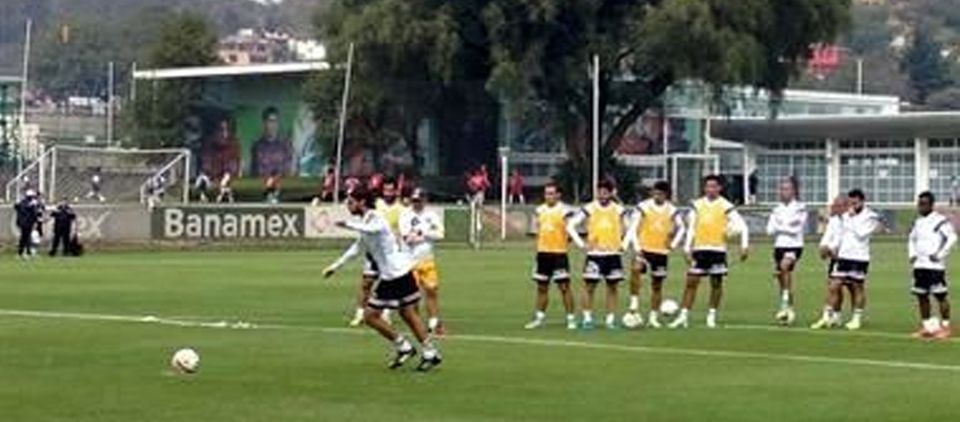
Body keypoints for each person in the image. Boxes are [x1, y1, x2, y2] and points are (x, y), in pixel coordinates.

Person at [322, 186, 442, 371]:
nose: (348, 205)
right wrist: (335, 266)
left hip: (395, 275)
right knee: (407, 313)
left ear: (362, 202)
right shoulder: (365, 221)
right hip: (398, 273)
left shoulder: (375, 218)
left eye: (351, 202)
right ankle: (428, 352)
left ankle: (405, 347)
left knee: (371, 316)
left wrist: (347, 224)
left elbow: (373, 229)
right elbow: (357, 248)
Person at [670, 175, 750, 329]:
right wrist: (686, 248)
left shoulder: (726, 205)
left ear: (719, 188)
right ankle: (683, 316)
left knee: (716, 284)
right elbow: (691, 228)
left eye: (714, 186)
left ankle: (711, 316)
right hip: (700, 249)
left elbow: (742, 226)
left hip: (718, 249)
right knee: (691, 282)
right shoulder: (697, 205)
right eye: (708, 186)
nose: (710, 189)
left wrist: (744, 246)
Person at [567, 180, 629, 329]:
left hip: (613, 254)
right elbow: (570, 225)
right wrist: (582, 244)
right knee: (589, 287)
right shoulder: (589, 208)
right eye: (599, 192)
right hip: (595, 255)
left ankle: (610, 320)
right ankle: (587, 319)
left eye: (605, 192)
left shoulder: (619, 210)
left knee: (612, 287)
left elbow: (630, 228)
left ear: (611, 193)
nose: (602, 195)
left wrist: (624, 244)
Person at [623, 181, 685, 328]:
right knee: (636, 269)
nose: (657, 196)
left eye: (660, 194)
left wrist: (673, 244)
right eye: (655, 193)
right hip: (644, 249)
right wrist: (636, 246)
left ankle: (653, 317)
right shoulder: (643, 207)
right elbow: (633, 227)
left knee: (657, 285)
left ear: (666, 195)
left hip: (661, 251)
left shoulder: (671, 210)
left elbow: (682, 228)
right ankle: (634, 304)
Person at [347, 178, 405, 327]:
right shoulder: (377, 205)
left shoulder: (401, 209)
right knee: (366, 283)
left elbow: (403, 229)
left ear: (395, 191)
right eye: (385, 190)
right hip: (374, 251)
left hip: (390, 252)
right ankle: (360, 314)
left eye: (391, 190)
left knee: (390, 284)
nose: (388, 193)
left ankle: (386, 313)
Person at [524, 182, 578, 330]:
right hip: (543, 254)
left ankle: (571, 319)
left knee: (564, 287)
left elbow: (571, 232)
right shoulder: (539, 210)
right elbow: (536, 231)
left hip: (559, 254)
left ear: (558, 195)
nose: (549, 196)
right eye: (547, 193)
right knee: (542, 287)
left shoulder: (565, 211)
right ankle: (539, 318)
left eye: (552, 193)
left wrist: (563, 241)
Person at [825, 189, 881, 331]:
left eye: (855, 203)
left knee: (857, 287)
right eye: (850, 203)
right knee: (834, 285)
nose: (852, 206)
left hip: (859, 257)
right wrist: (833, 248)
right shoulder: (846, 216)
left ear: (862, 201)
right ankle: (828, 316)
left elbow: (861, 234)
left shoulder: (871, 217)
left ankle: (856, 319)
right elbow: (841, 234)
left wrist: (852, 218)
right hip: (844, 256)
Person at [908, 191, 957, 339]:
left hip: (934, 267)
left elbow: (952, 238)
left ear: (931, 205)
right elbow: (912, 239)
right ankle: (927, 327)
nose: (920, 207)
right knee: (921, 296)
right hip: (920, 265)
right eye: (919, 204)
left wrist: (940, 255)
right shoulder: (918, 222)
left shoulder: (940, 221)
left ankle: (946, 327)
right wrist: (912, 254)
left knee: (940, 296)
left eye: (923, 204)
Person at [399, 189, 446, 335]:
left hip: (427, 259)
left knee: (432, 290)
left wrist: (422, 233)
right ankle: (417, 324)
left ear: (425, 200)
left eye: (418, 200)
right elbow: (407, 238)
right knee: (413, 296)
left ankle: (434, 323)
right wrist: (425, 234)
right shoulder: (405, 215)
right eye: (414, 200)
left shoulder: (431, 215)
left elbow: (440, 234)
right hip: (409, 261)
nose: (416, 203)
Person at [765, 178, 808, 325]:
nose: (784, 192)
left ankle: (783, 305)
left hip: (794, 246)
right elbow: (769, 230)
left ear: (794, 191)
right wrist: (786, 226)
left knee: (784, 267)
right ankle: (789, 310)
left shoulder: (800, 208)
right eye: (782, 189)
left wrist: (780, 226)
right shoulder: (776, 209)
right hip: (779, 246)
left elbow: (796, 230)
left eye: (787, 189)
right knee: (783, 281)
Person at [811, 196, 850, 329]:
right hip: (836, 258)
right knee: (834, 287)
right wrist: (824, 247)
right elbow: (827, 236)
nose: (833, 207)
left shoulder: (850, 220)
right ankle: (835, 316)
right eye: (833, 205)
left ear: (845, 207)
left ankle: (828, 316)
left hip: (850, 257)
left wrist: (834, 249)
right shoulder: (833, 221)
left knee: (851, 288)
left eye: (837, 205)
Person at [250, 107, 293, 177]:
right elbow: (254, 172)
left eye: (275, 121)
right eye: (270, 121)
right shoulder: (257, 147)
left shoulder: (285, 146)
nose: (273, 125)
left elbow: (288, 170)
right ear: (264, 123)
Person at [15, 190, 43, 259]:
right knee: (26, 237)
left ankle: (24, 252)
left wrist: (37, 219)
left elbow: (34, 213)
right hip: (25, 223)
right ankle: (25, 252)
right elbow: (25, 210)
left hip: (28, 223)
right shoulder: (24, 204)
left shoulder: (28, 203)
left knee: (25, 237)